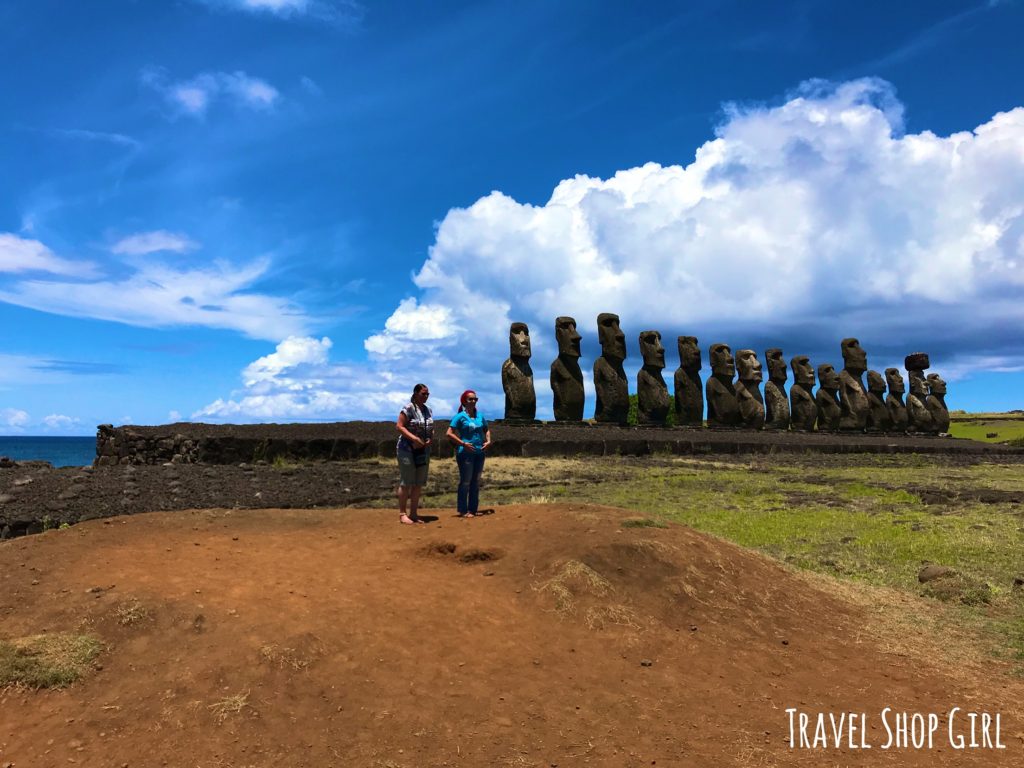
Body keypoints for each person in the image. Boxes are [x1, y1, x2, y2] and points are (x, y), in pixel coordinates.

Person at [445, 389, 492, 518]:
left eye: (475, 399)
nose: (473, 401)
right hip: (465, 453)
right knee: (466, 481)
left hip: (479, 452)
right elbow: (449, 433)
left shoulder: (480, 416)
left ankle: (473, 508)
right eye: (470, 399)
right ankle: (462, 509)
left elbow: (486, 429)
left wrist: (488, 441)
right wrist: (462, 443)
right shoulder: (460, 416)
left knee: (475, 481)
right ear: (464, 401)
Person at [396, 383, 433, 524]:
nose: (426, 396)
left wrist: (430, 438)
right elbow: (399, 426)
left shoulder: (428, 410)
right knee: (407, 481)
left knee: (418, 482)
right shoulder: (408, 408)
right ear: (416, 393)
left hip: (422, 450)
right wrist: (414, 439)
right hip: (407, 449)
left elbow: (430, 427)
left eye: (427, 394)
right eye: (423, 394)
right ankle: (402, 513)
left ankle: (414, 513)